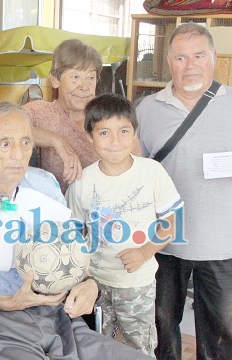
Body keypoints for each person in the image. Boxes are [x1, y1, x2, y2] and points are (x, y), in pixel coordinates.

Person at [0, 102, 151, 360]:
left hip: (54, 315)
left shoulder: (45, 185)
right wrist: (6, 303)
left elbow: (74, 257)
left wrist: (89, 284)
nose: (17, 154)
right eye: (5, 144)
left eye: (26, 142)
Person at [135, 23, 232, 359]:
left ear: (214, 58)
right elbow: (135, 166)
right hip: (165, 239)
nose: (191, 65)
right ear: (169, 62)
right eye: (181, 57)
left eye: (199, 55)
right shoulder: (147, 108)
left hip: (221, 240)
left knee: (220, 329)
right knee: (161, 322)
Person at [66, 93, 183, 357]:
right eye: (104, 132)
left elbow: (171, 223)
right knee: (94, 347)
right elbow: (72, 233)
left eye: (123, 131)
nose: (115, 141)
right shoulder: (82, 180)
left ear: (134, 134)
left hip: (136, 285)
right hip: (93, 284)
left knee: (138, 349)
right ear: (89, 136)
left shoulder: (152, 172)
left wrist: (144, 252)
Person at [23, 39, 101, 193]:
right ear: (55, 79)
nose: (84, 87)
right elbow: (4, 126)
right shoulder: (40, 112)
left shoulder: (108, 117)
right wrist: (55, 140)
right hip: (51, 209)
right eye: (75, 77)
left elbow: (135, 163)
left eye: (91, 78)